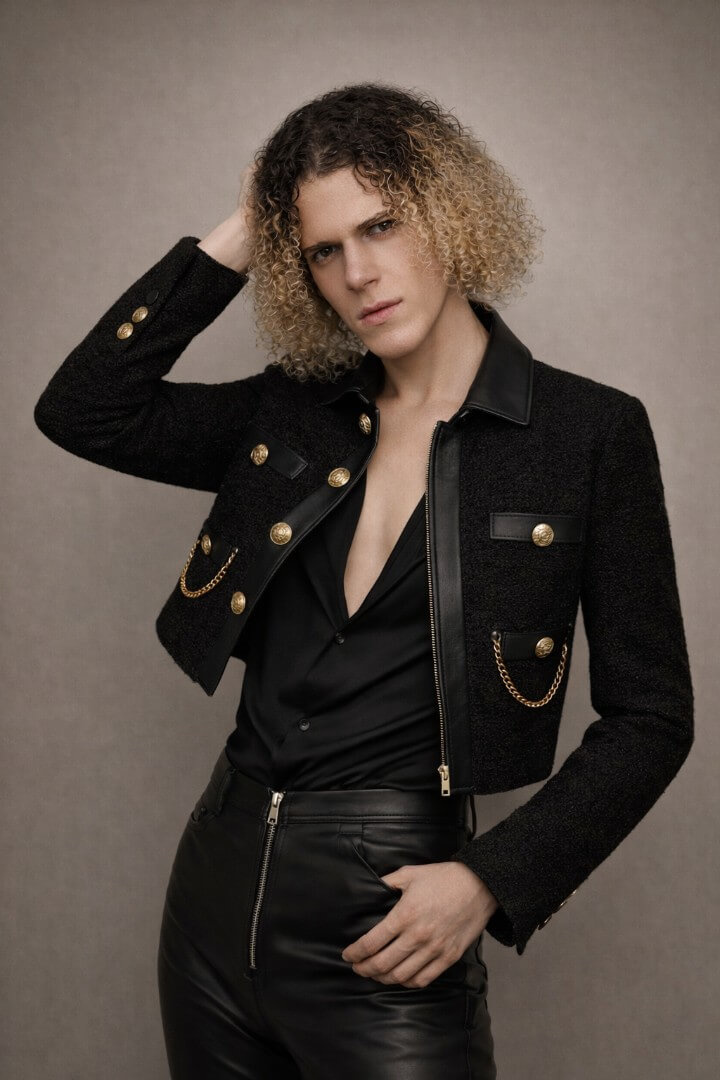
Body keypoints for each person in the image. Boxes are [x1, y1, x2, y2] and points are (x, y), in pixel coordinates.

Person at [33, 82, 694, 1079]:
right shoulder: (291, 411)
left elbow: (653, 718)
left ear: (450, 211)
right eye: (321, 250)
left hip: (389, 915)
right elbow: (84, 409)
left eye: (382, 226)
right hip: (213, 897)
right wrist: (248, 222)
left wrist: (489, 879)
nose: (358, 274)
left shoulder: (586, 433)